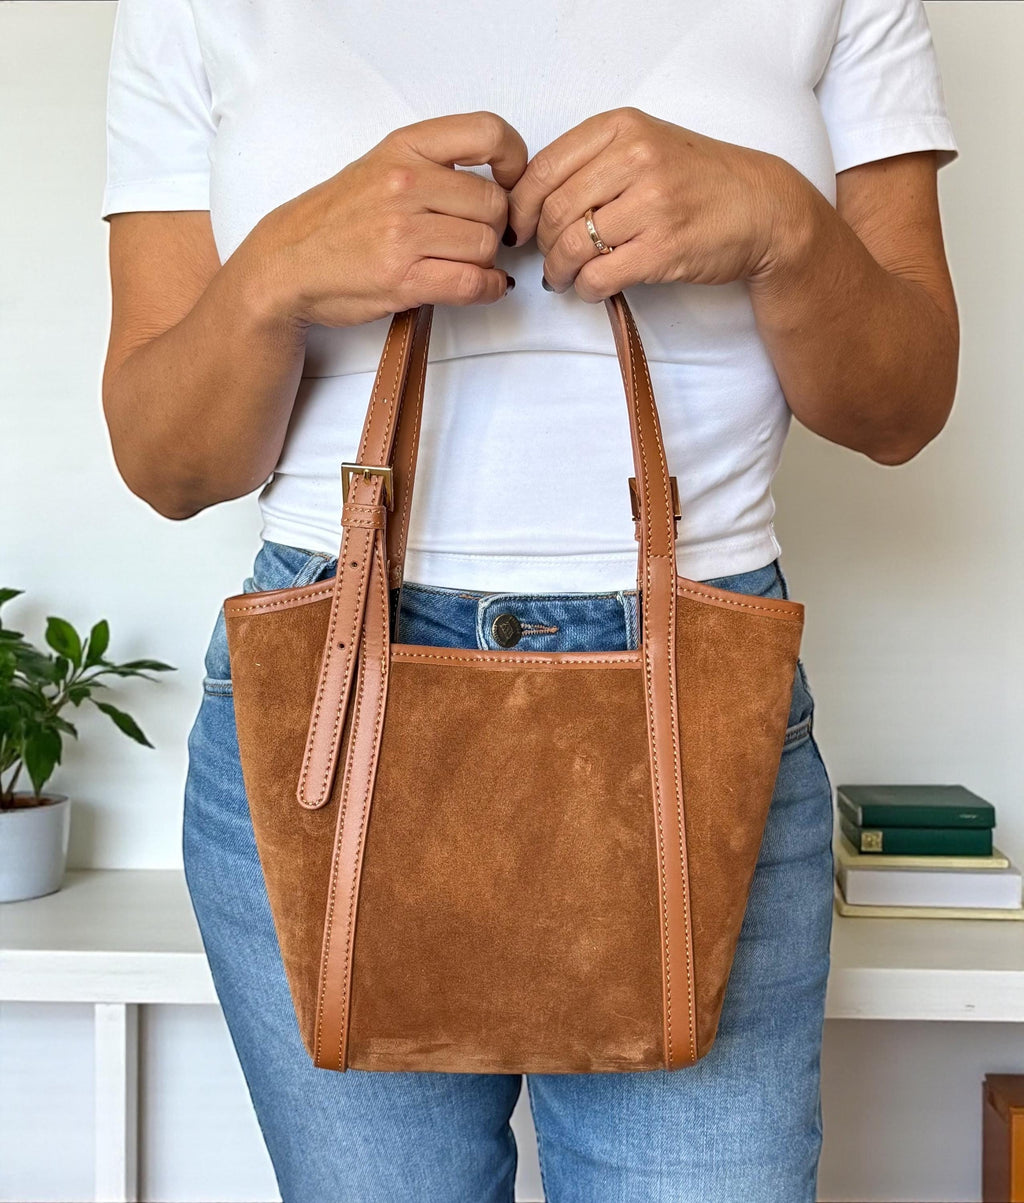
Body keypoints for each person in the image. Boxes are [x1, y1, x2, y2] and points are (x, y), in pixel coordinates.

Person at [99, 0, 959, 1198]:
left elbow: (901, 411)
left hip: (693, 710)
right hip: (330, 712)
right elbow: (167, 466)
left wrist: (782, 226)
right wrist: (274, 279)